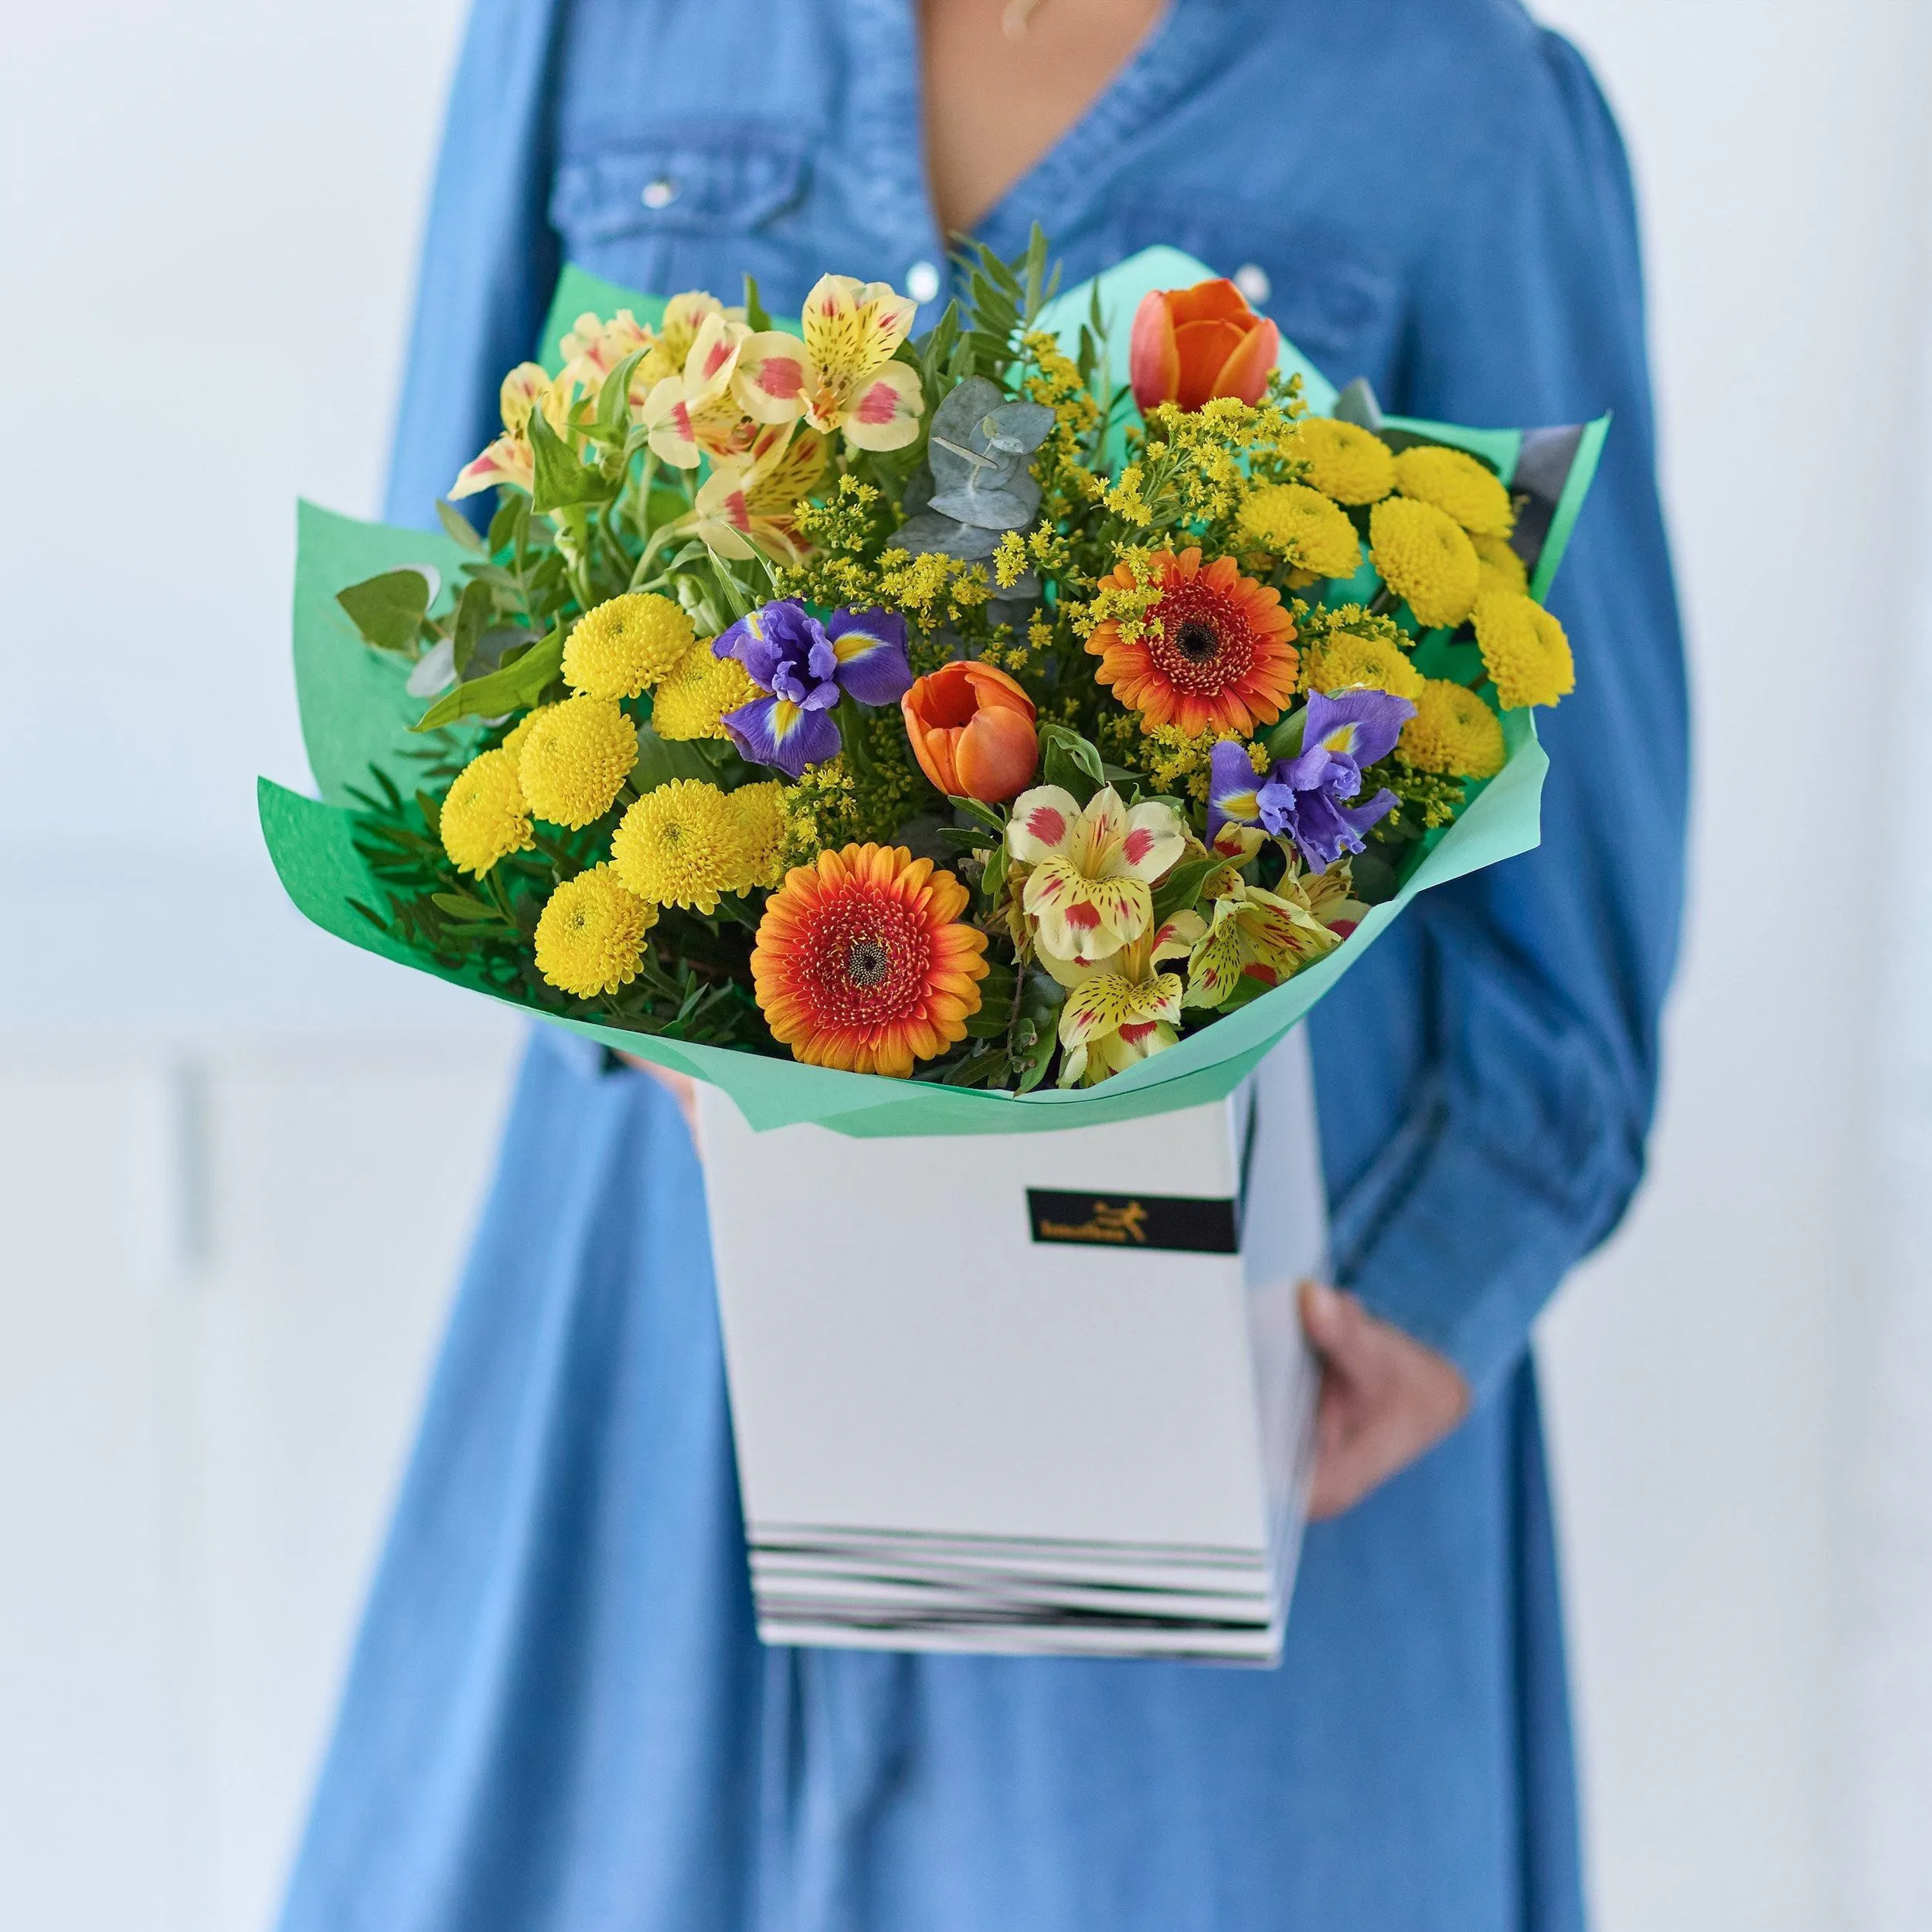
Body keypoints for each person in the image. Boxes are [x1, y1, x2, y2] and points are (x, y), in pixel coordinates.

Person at [279, 2, 1687, 1927]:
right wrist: (655, 1008)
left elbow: (1583, 842)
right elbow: (430, 655)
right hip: (658, 1333)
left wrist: (1442, 1289)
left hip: (1239, 1359)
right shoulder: (597, 30)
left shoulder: (1457, 98)